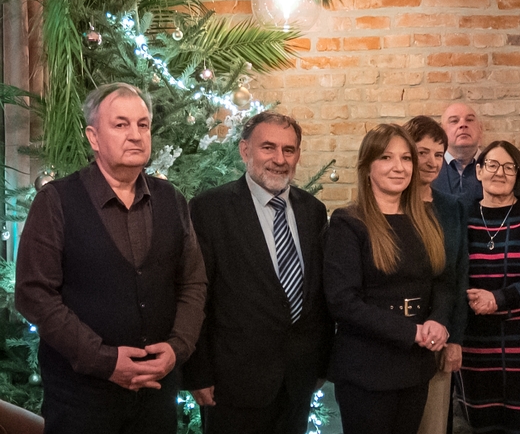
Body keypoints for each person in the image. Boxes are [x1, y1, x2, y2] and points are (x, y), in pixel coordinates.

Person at [15, 82, 207, 433]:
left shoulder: (172, 200)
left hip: (156, 398)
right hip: (81, 401)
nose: (135, 135)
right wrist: (103, 360)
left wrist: (179, 347)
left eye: (143, 125)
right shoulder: (56, 201)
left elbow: (193, 282)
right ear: (93, 137)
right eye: (121, 124)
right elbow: (34, 294)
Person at [182, 112, 333, 434]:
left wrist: (321, 363)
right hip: (233, 382)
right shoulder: (209, 209)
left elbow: (318, 296)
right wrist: (197, 373)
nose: (279, 159)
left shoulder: (313, 211)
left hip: (298, 381)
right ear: (245, 150)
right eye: (268, 147)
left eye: (289, 150)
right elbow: (196, 295)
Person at [324, 124, 453, 434]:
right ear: (367, 167)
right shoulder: (348, 223)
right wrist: (411, 331)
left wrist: (438, 320)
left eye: (406, 158)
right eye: (386, 157)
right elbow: (343, 301)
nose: (399, 167)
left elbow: (442, 281)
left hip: (414, 366)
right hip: (367, 370)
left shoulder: (425, 219)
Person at [456, 140, 520, 433]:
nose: (499, 172)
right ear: (479, 171)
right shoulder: (461, 217)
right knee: (481, 428)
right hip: (473, 345)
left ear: (518, 175)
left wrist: (499, 299)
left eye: (509, 167)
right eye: (492, 165)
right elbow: (449, 276)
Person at [403, 115, 470, 434]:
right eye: (422, 152)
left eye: (438, 154)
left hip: (438, 335)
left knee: (432, 425)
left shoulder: (452, 207)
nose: (431, 162)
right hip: (394, 338)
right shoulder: (386, 204)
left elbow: (458, 274)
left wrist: (454, 339)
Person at [433, 103, 485, 202]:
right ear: (442, 131)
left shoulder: (495, 168)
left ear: (480, 129)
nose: (463, 125)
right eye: (454, 121)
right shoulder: (428, 168)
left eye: (469, 120)